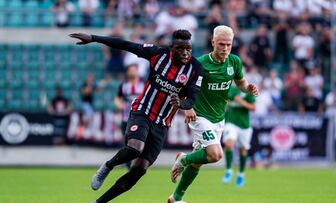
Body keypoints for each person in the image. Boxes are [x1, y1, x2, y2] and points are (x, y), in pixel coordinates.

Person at [69, 29, 204, 203]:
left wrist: (181, 104)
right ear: (172, 48)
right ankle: (108, 166)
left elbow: (192, 98)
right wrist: (94, 38)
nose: (185, 53)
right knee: (135, 148)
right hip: (143, 110)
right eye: (180, 49)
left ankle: (98, 202)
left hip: (162, 123)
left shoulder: (196, 68)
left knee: (139, 170)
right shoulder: (157, 54)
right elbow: (126, 45)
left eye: (189, 49)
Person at [168, 25, 259, 203]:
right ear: (213, 43)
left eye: (228, 44)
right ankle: (183, 158)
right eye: (221, 44)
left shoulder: (234, 62)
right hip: (200, 116)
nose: (225, 48)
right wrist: (187, 107)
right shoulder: (200, 63)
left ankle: (176, 198)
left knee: (198, 162)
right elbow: (181, 86)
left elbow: (240, 82)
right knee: (216, 155)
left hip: (219, 118)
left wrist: (248, 87)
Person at [222, 85, 256, 187]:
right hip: (231, 122)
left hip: (244, 125)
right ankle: (228, 170)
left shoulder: (249, 91)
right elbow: (226, 102)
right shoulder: (231, 89)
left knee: (243, 150)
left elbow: (253, 107)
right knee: (229, 144)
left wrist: (241, 102)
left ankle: (241, 175)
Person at [114, 64, 145, 168]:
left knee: (139, 142)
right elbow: (117, 97)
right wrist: (119, 105)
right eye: (130, 71)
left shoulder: (143, 85)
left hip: (140, 119)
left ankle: (138, 163)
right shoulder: (123, 85)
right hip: (126, 119)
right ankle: (128, 165)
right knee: (128, 143)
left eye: (133, 70)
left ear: (137, 72)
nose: (132, 72)